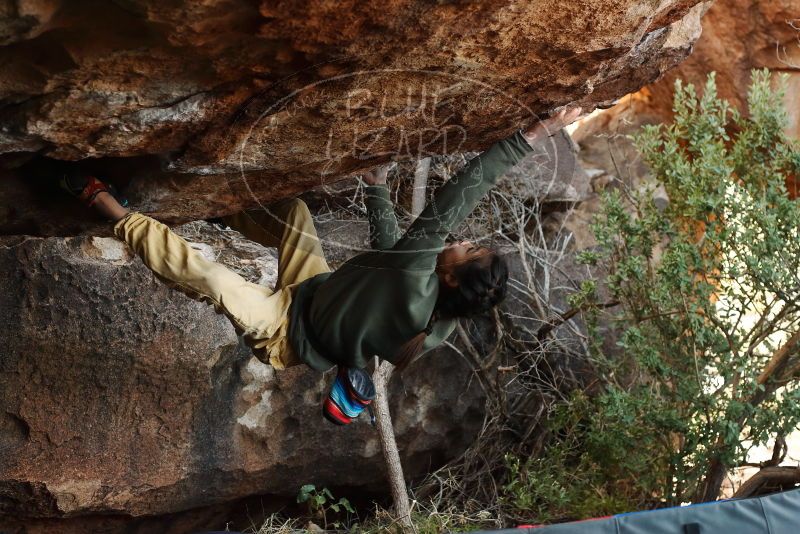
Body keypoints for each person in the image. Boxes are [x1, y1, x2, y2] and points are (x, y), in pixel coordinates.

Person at [62, 107, 581, 420]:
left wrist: (531, 136)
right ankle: (194, 202)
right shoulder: (431, 306)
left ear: (448, 275)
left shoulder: (419, 281)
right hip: (311, 289)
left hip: (284, 333)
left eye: (467, 250)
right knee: (293, 213)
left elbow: (463, 194)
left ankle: (112, 209)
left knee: (212, 277)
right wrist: (378, 190)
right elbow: (389, 258)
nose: (463, 240)